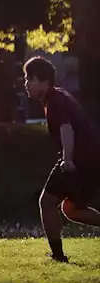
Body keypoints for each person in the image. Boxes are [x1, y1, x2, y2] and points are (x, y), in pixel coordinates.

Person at [23, 56, 100, 263]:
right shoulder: (57, 98)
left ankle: (57, 256)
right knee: (71, 209)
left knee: (46, 202)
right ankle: (57, 254)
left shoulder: (55, 101)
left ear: (44, 81)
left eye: (30, 79)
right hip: (90, 159)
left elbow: (66, 128)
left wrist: (67, 159)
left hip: (79, 158)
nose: (26, 84)